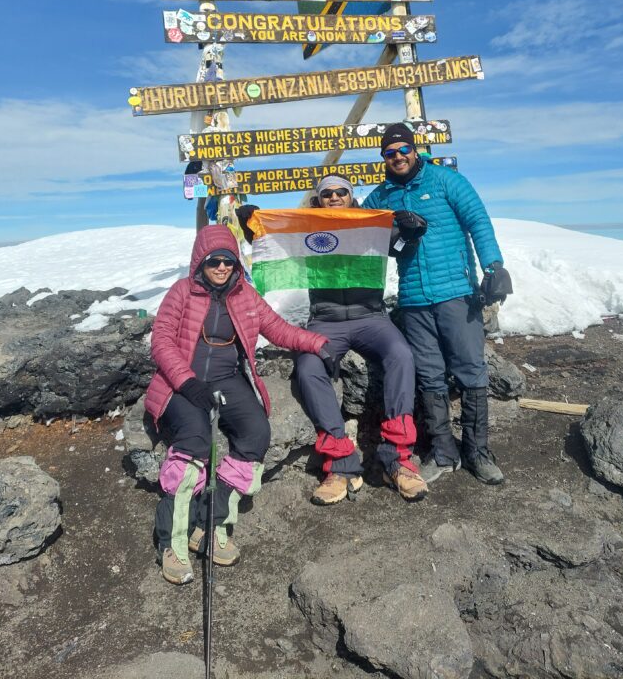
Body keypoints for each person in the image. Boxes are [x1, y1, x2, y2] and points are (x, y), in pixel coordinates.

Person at [144, 224, 334, 585]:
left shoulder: (245, 295)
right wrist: (188, 384)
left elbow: (278, 329)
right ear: (200, 261)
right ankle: (172, 541)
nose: (221, 268)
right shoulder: (181, 292)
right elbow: (162, 342)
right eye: (213, 261)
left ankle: (209, 524)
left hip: (227, 380)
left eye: (228, 261)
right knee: (195, 443)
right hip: (181, 384)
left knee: (255, 433)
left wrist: (318, 344)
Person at [237, 176, 428, 506]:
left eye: (342, 192)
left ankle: (397, 458)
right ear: (319, 199)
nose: (335, 196)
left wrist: (410, 234)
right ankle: (341, 463)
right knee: (308, 367)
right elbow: (278, 243)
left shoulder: (368, 224)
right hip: (326, 320)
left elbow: (396, 247)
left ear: (351, 197)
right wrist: (253, 227)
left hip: (371, 318)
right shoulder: (307, 226)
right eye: (328, 193)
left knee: (401, 355)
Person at [363, 124, 513, 485]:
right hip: (414, 300)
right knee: (429, 375)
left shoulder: (446, 180)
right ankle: (444, 453)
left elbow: (478, 220)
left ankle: (478, 452)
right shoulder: (381, 196)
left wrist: (493, 266)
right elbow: (349, 222)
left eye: (403, 150)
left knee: (470, 370)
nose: (397, 157)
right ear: (383, 157)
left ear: (414, 150)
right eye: (389, 152)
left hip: (456, 294)